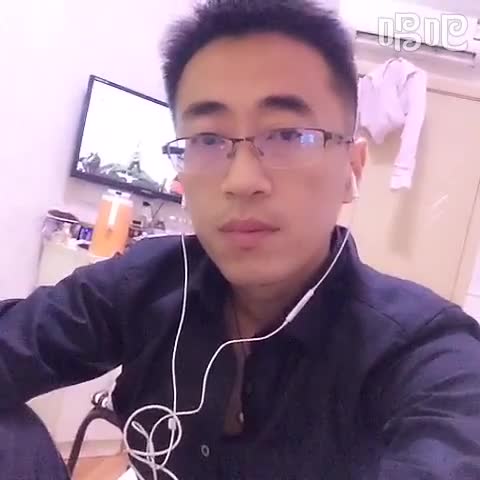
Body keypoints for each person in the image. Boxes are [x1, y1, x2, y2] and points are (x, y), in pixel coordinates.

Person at [2, 1, 480, 479]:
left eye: (289, 135)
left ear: (351, 170)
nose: (242, 180)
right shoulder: (143, 283)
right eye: (208, 140)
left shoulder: (422, 351)